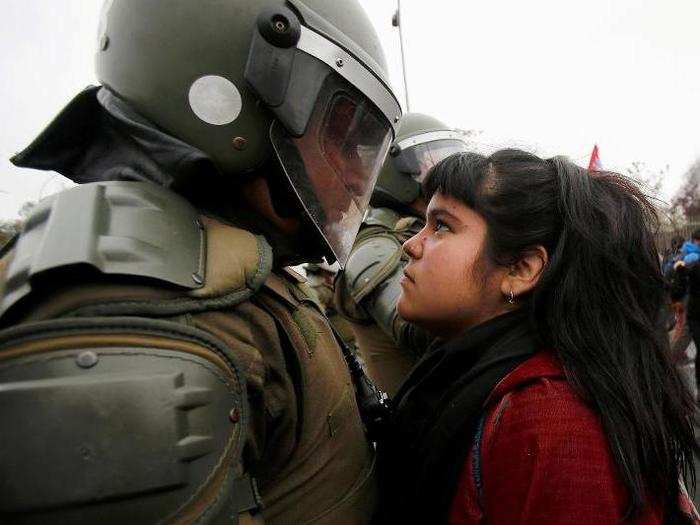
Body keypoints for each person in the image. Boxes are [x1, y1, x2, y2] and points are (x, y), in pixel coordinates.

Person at [0, 0, 401, 523]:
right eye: (340, 138)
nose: (354, 176)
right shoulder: (134, 307)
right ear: (230, 99)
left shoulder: (232, 262)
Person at [376, 150, 700, 523]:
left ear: (521, 269)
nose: (411, 245)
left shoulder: (549, 421)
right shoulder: (477, 372)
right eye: (423, 224)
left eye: (442, 226)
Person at [334, 113, 469, 394]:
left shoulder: (422, 231)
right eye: (430, 163)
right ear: (396, 169)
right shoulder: (372, 247)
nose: (446, 177)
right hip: (419, 427)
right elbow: (420, 329)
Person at [670, 229, 700, 388]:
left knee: (684, 329)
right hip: (689, 299)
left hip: (687, 300)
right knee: (685, 329)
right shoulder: (692, 256)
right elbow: (681, 275)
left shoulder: (686, 253)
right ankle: (670, 359)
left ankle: (671, 358)